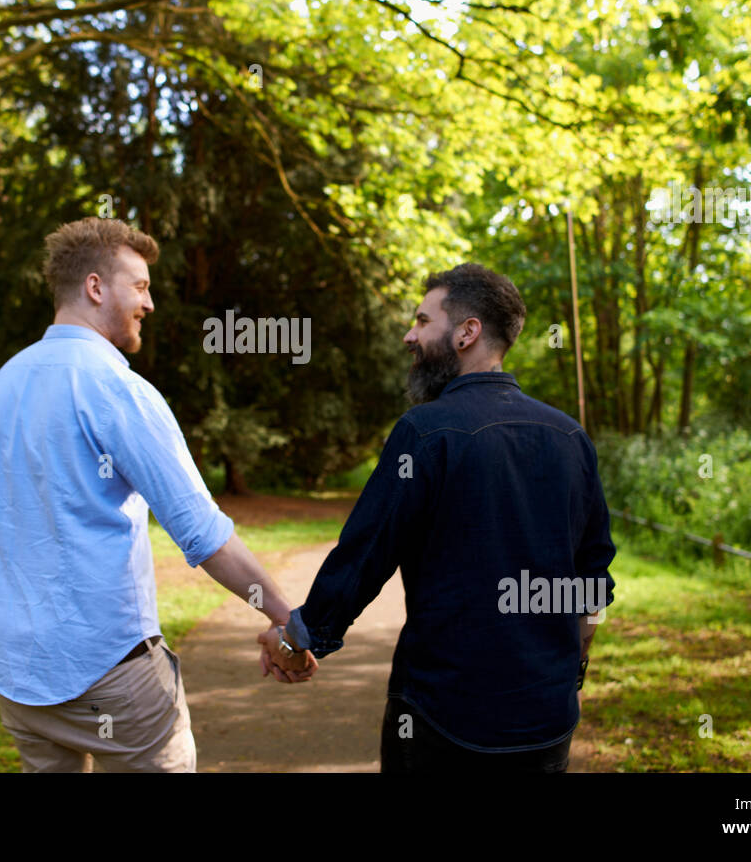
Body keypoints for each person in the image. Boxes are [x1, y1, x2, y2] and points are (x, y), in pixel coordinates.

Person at [0, 217, 315, 773]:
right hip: (113, 676)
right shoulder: (116, 388)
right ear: (95, 287)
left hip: (19, 680)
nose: (149, 304)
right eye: (141, 285)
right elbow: (203, 536)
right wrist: (288, 622)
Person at [258, 262, 616, 773]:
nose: (410, 335)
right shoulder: (569, 436)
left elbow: (366, 554)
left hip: (442, 717)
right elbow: (592, 577)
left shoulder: (425, 431)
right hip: (545, 721)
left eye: (423, 321)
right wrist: (571, 675)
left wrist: (296, 638)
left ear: (467, 332)